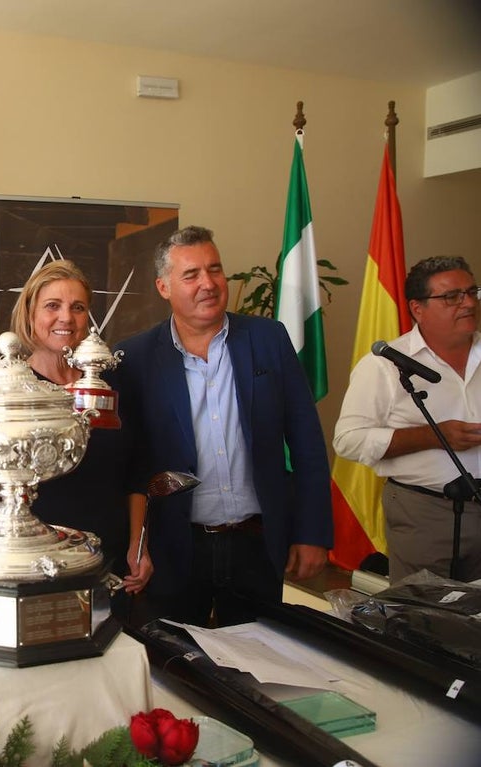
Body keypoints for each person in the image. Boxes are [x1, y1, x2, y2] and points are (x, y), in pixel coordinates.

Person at [112, 225, 332, 627]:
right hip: (175, 548)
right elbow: (129, 468)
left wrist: (312, 531)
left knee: (259, 667)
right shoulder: (134, 358)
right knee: (175, 669)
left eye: (215, 270)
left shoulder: (268, 339)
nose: (208, 284)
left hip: (256, 543)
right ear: (163, 287)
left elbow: (307, 442)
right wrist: (136, 544)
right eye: (191, 275)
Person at [8, 259, 151, 614]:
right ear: (30, 314)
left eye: (78, 307)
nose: (65, 318)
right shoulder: (14, 389)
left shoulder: (113, 384)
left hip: (111, 559)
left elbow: (138, 471)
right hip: (39, 562)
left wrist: (139, 543)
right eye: (52, 306)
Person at [333, 256, 481, 582]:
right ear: (417, 308)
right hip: (425, 513)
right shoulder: (385, 365)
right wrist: (433, 436)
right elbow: (348, 440)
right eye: (452, 296)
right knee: (422, 622)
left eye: (472, 292)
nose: (468, 302)